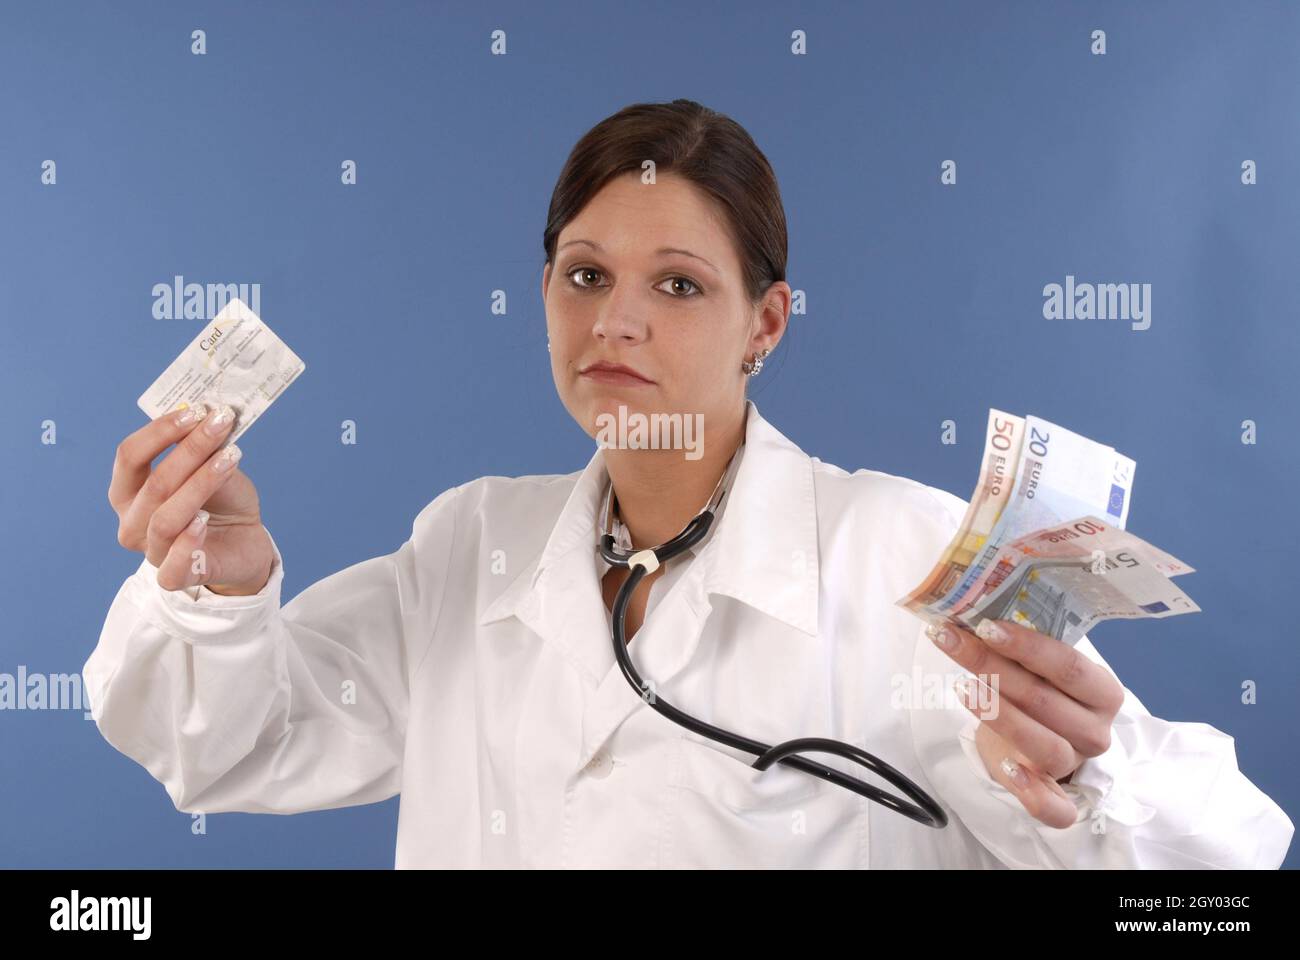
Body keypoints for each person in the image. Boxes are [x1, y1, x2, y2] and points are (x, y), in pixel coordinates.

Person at [85, 98, 1293, 869]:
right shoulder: (471, 546)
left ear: (764, 323)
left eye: (676, 285)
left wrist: (1086, 774)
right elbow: (231, 751)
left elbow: (1213, 872)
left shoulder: (904, 553)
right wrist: (218, 594)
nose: (614, 322)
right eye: (581, 274)